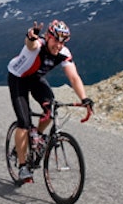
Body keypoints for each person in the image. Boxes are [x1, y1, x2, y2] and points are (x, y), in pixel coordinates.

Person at [7, 19, 92, 183]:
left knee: (51, 110)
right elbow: (30, 44)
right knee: (24, 123)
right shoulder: (37, 44)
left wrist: (84, 99)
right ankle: (23, 166)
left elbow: (74, 77)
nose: (58, 45)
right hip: (18, 78)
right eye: (55, 40)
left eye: (62, 42)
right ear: (48, 36)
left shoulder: (64, 53)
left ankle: (37, 135)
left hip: (36, 78)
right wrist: (30, 37)